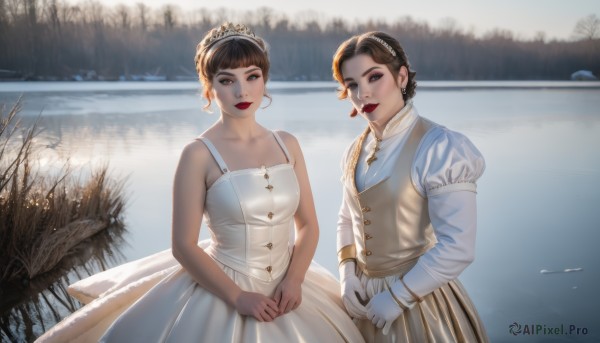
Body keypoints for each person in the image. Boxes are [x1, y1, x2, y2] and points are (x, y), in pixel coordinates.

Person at [36, 23, 364, 343]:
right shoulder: (197, 154)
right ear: (209, 88)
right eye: (226, 80)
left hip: (289, 288)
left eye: (252, 76)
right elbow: (184, 246)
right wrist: (238, 298)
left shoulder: (287, 144)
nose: (242, 91)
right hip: (225, 289)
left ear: (264, 79)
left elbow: (308, 225)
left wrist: (293, 280)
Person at [332, 31, 489, 342]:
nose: (363, 92)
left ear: (401, 76)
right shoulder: (354, 150)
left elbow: (458, 247)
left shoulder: (440, 148)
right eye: (352, 84)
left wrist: (398, 296)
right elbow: (348, 218)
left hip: (420, 301)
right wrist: (347, 275)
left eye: (374, 77)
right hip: (363, 302)